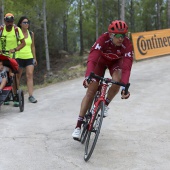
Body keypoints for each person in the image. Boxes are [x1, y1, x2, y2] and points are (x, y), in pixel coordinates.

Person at [72, 20, 134, 139]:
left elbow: (127, 67)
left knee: (118, 79)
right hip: (99, 62)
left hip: (114, 63)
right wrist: (88, 76)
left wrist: (124, 87)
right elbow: (92, 58)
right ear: (111, 35)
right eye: (118, 36)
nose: (121, 39)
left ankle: (105, 104)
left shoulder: (127, 44)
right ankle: (78, 126)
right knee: (91, 92)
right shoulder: (103, 39)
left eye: (123, 35)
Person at [0, 13, 26, 106]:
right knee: (3, 74)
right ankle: (5, 95)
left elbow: (23, 43)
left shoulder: (16, 30)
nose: (9, 24)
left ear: (13, 21)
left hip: (14, 56)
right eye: (8, 22)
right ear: (5, 21)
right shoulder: (1, 30)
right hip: (2, 56)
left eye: (11, 22)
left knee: (13, 76)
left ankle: (15, 95)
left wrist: (15, 49)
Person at [16, 16, 37, 103]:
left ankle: (31, 96)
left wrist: (34, 58)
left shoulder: (31, 33)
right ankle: (16, 96)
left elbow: (33, 46)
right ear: (20, 24)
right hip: (18, 57)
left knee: (30, 75)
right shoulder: (16, 33)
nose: (26, 24)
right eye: (24, 22)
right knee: (17, 77)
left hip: (29, 57)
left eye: (27, 22)